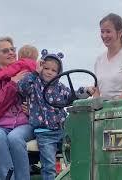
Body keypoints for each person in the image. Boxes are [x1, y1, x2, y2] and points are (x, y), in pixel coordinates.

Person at [18, 49, 95, 180]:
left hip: (63, 130)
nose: (49, 72)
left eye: (54, 70)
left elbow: (73, 95)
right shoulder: (34, 85)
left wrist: (86, 91)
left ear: (58, 73)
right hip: (44, 133)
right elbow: (22, 87)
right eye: (46, 68)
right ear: (40, 67)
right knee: (49, 166)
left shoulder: (60, 88)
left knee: (78, 155)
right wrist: (35, 72)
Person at [0, 36, 34, 180]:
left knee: (15, 138)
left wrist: (32, 108)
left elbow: (43, 98)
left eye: (12, 49)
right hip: (0, 125)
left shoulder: (28, 75)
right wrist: (13, 84)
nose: (11, 53)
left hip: (24, 124)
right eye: (5, 51)